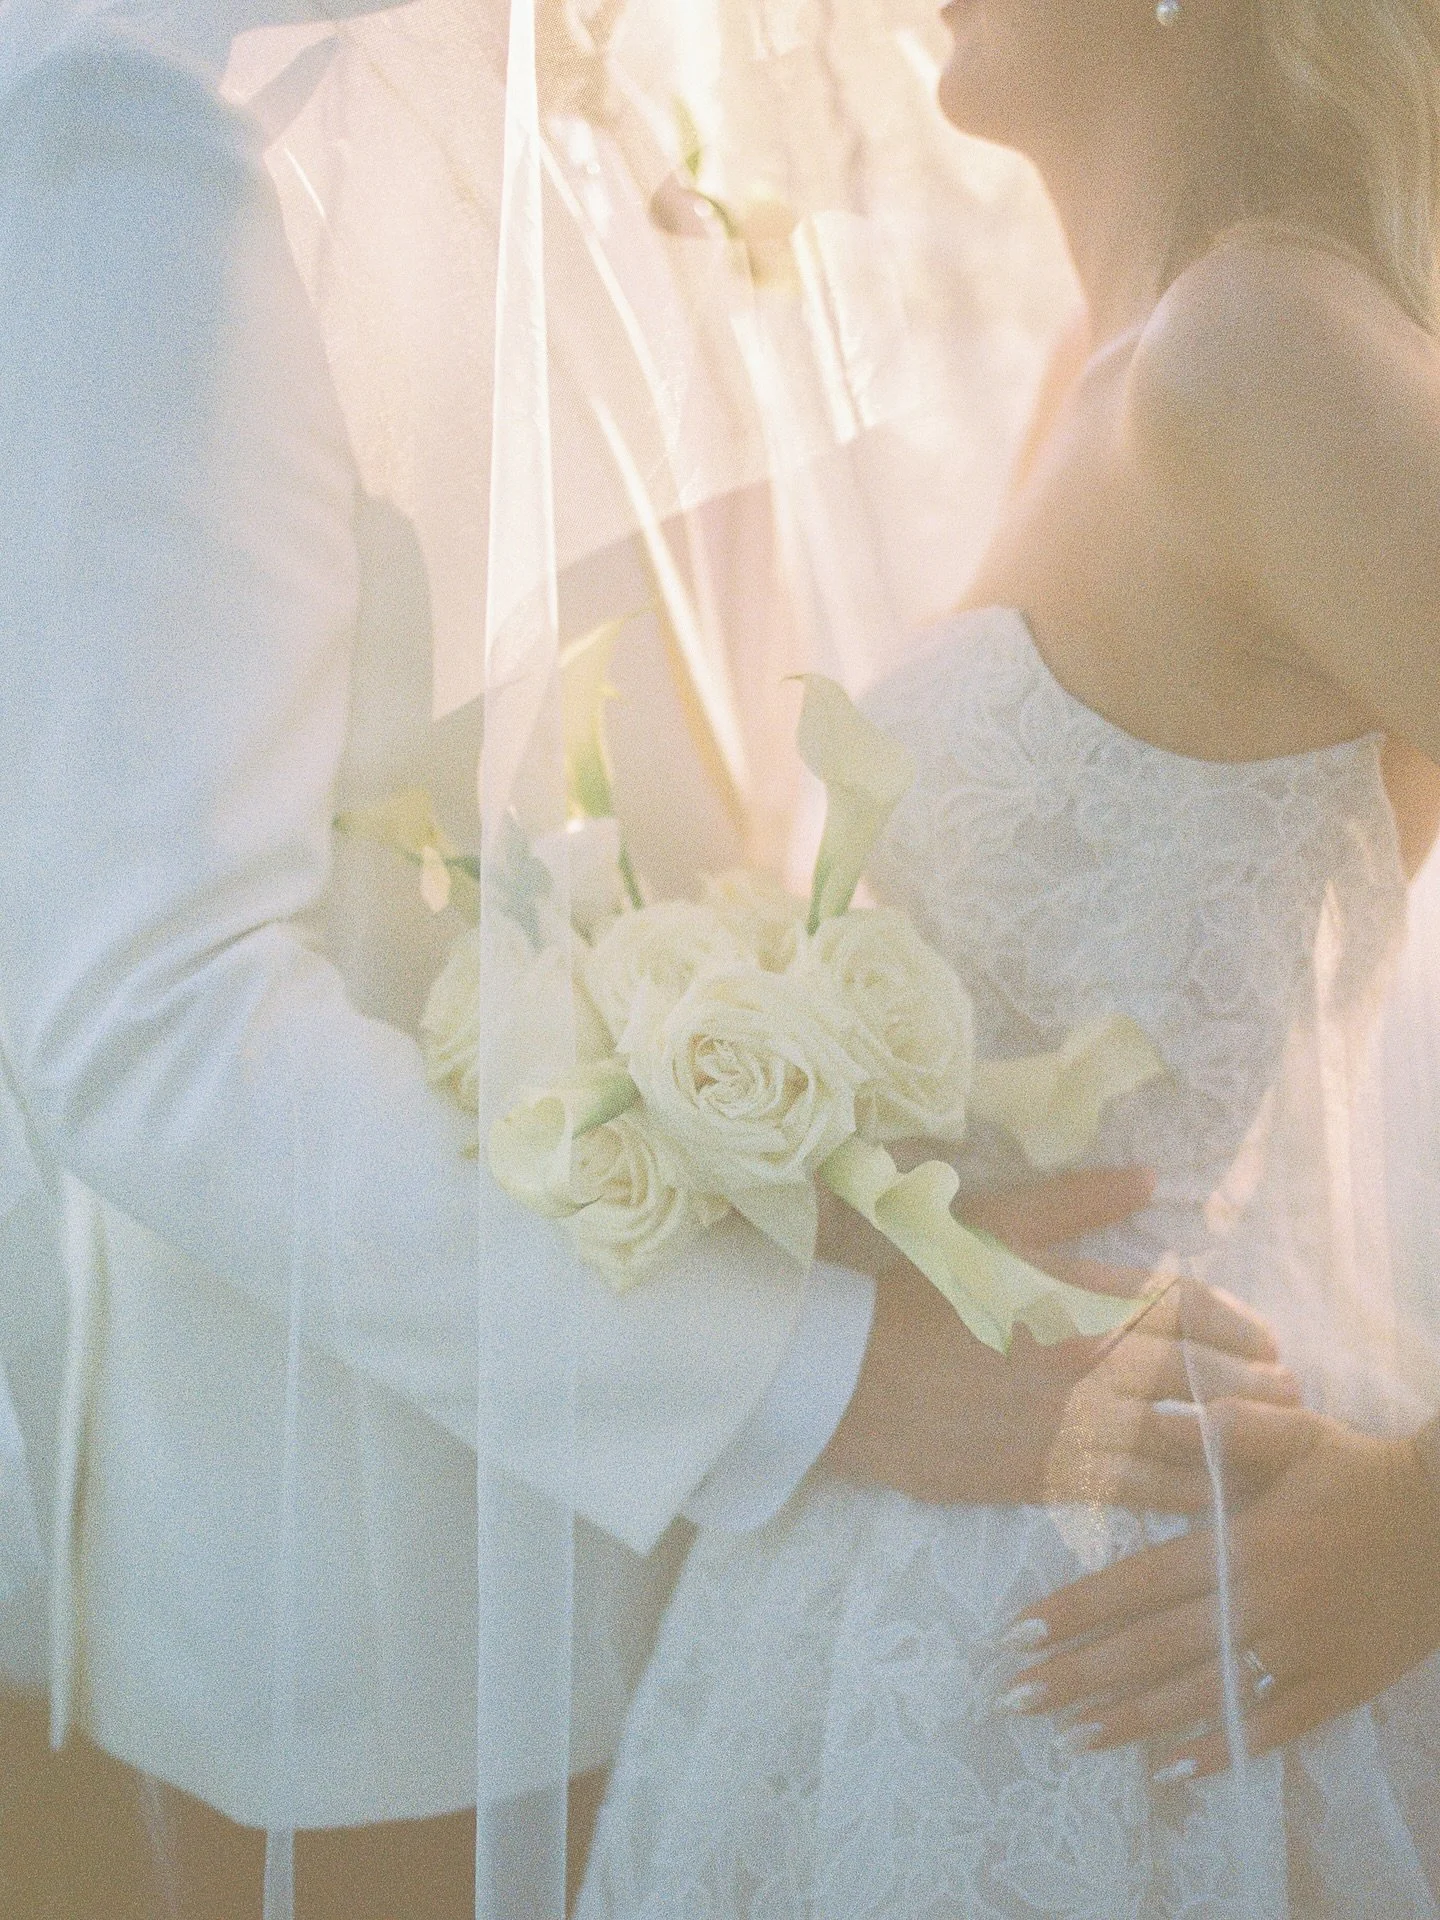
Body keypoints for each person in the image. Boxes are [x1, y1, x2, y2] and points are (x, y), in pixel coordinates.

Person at [0, 1, 1295, 1913]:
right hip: (397, 1623)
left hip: (804, 1590)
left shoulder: (713, 71)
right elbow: (146, 1012)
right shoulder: (161, 140)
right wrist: (835, 1380)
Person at [576, 1, 1440, 1913]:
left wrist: (1434, 1530)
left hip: (1178, 1602)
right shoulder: (1109, 350)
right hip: (920, 1577)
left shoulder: (1255, 352)